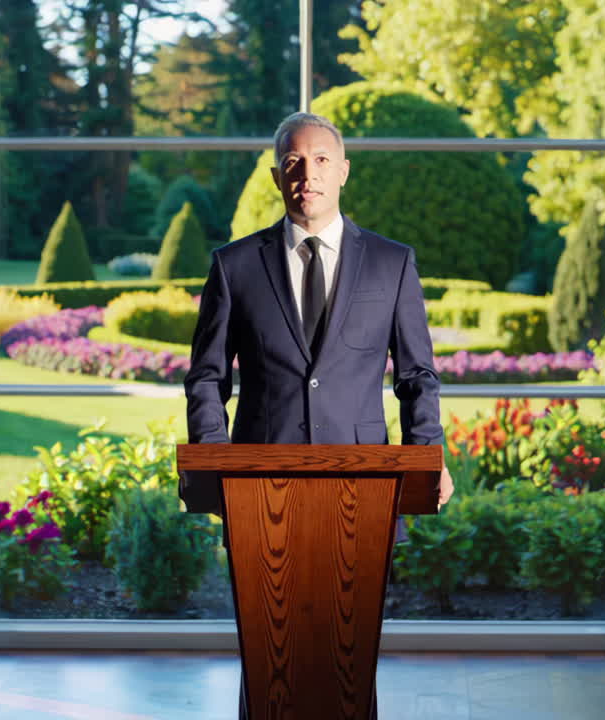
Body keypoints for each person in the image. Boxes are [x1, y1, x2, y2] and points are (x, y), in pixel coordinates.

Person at [180, 111, 454, 718]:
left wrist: (426, 456)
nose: (309, 174)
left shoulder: (391, 263)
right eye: (295, 162)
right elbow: (206, 377)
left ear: (344, 171)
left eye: (322, 160)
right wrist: (213, 459)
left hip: (366, 491)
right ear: (278, 176)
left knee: (349, 657)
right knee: (269, 654)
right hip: (258, 492)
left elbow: (416, 376)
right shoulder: (235, 265)